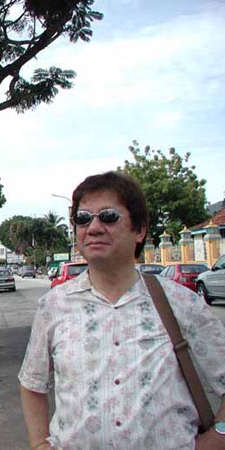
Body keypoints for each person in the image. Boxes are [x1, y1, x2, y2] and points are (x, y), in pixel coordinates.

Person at [18, 171, 225, 449]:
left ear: (139, 230)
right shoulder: (54, 306)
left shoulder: (180, 303)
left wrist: (218, 436)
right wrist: (39, 444)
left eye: (108, 217)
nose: (93, 228)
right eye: (83, 218)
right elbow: (32, 383)